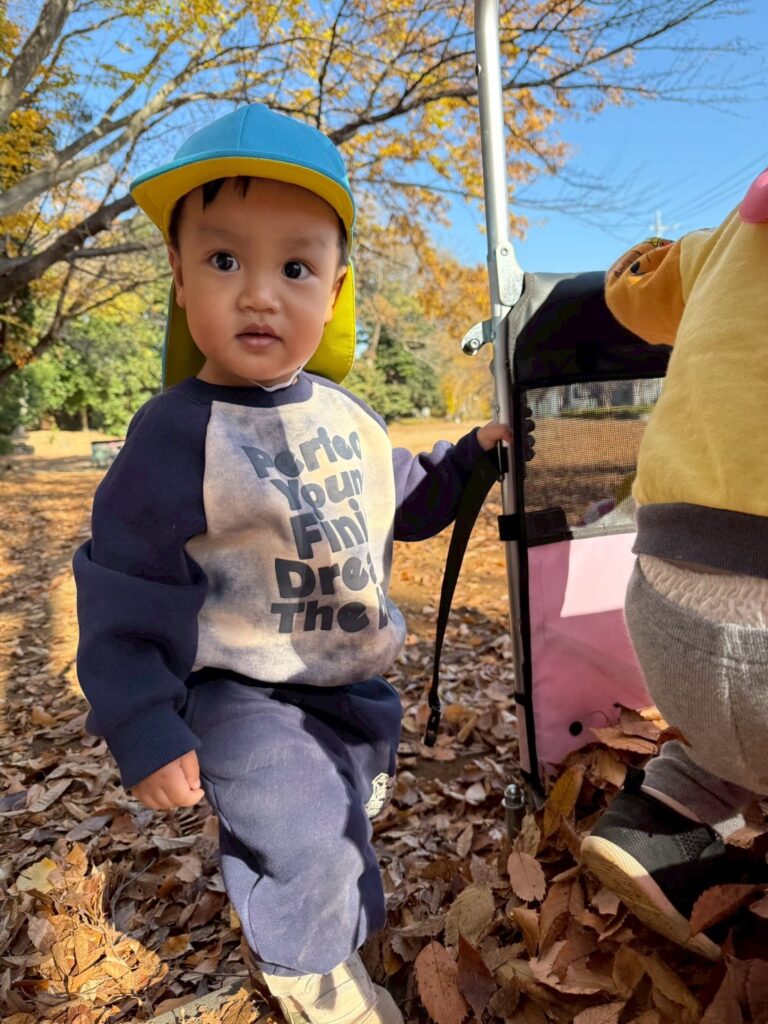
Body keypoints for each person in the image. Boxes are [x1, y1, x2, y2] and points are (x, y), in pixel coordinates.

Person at [73, 104, 512, 1024]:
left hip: (351, 686)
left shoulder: (349, 418)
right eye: (224, 261)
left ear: (336, 288)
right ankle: (310, 973)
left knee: (337, 820)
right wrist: (144, 722)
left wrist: (466, 461)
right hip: (243, 697)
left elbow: (401, 496)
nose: (259, 295)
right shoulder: (176, 435)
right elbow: (122, 589)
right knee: (305, 832)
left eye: (295, 268)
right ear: (179, 277)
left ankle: (322, 906)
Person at [581, 168, 768, 960]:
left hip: (667, 613)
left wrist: (653, 253)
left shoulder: (720, 241)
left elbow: (628, 290)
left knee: (729, 738)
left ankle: (659, 824)